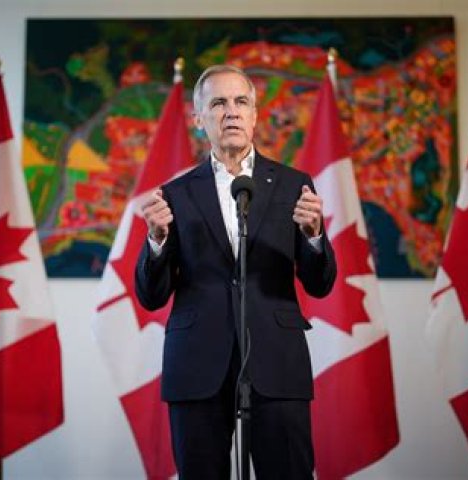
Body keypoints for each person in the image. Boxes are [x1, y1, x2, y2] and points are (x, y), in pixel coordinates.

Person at [135, 64, 337, 479]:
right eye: (219, 103)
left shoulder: (293, 185)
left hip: (276, 362)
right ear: (199, 119)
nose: (231, 111)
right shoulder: (175, 194)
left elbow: (320, 284)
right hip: (197, 365)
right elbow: (152, 296)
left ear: (254, 115)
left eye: (241, 102)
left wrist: (314, 235)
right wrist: (156, 240)